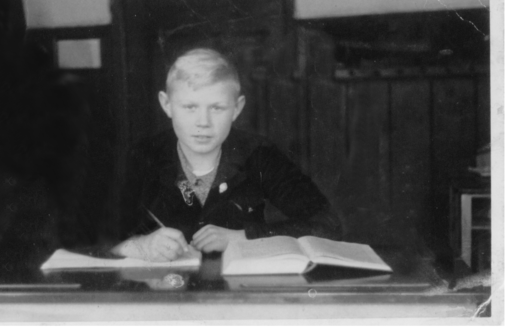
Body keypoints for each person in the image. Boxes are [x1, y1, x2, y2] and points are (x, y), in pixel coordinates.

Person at [111, 48, 341, 262]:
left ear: (237, 108)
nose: (203, 122)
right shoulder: (143, 156)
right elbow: (90, 237)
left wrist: (244, 236)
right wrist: (139, 245)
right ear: (167, 104)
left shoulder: (260, 155)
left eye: (217, 108)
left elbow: (327, 224)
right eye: (190, 107)